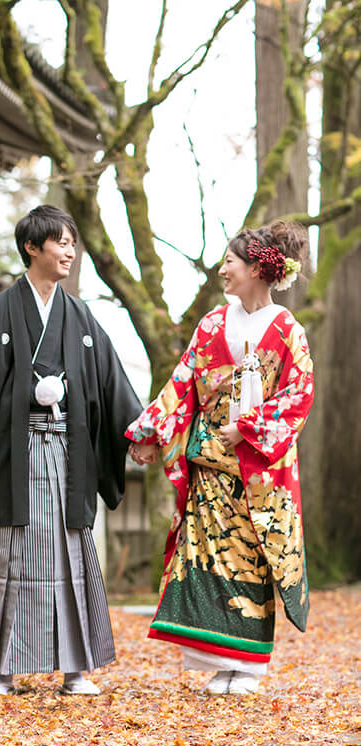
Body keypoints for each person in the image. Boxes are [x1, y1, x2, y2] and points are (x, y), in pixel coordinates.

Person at [0, 204, 142, 695]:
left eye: (73, 243)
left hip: (68, 455)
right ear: (33, 247)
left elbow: (111, 383)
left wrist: (138, 431)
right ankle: (3, 672)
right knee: (7, 557)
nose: (70, 251)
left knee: (70, 554)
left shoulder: (80, 315)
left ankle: (76, 670)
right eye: (61, 242)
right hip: (13, 453)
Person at [126, 221, 313, 696]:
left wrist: (248, 428)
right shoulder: (212, 323)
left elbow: (299, 394)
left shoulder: (288, 329)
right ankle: (217, 658)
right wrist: (151, 433)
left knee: (250, 558)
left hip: (257, 471)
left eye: (230, 261)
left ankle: (247, 665)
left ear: (255, 268)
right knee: (209, 558)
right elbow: (183, 384)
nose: (222, 269)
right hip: (209, 462)